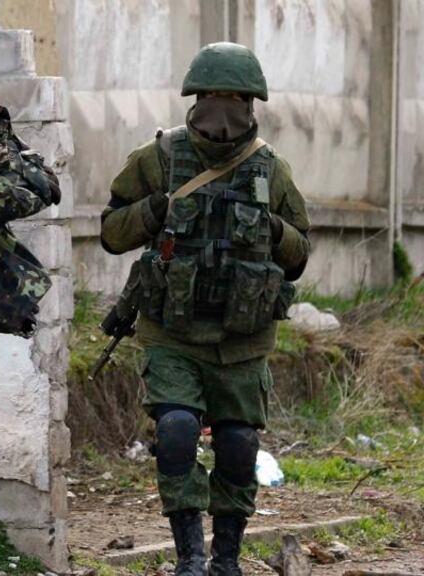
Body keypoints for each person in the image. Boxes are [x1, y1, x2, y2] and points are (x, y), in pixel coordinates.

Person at [100, 43, 311, 576]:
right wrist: (154, 210)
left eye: (233, 98)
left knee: (238, 444)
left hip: (243, 341)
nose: (222, 108)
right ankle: (190, 557)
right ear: (194, 99)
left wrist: (273, 229)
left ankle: (226, 560)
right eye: (212, 95)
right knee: (175, 430)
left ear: (250, 103)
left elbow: (299, 256)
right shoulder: (159, 158)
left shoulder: (271, 169)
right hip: (172, 334)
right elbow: (111, 232)